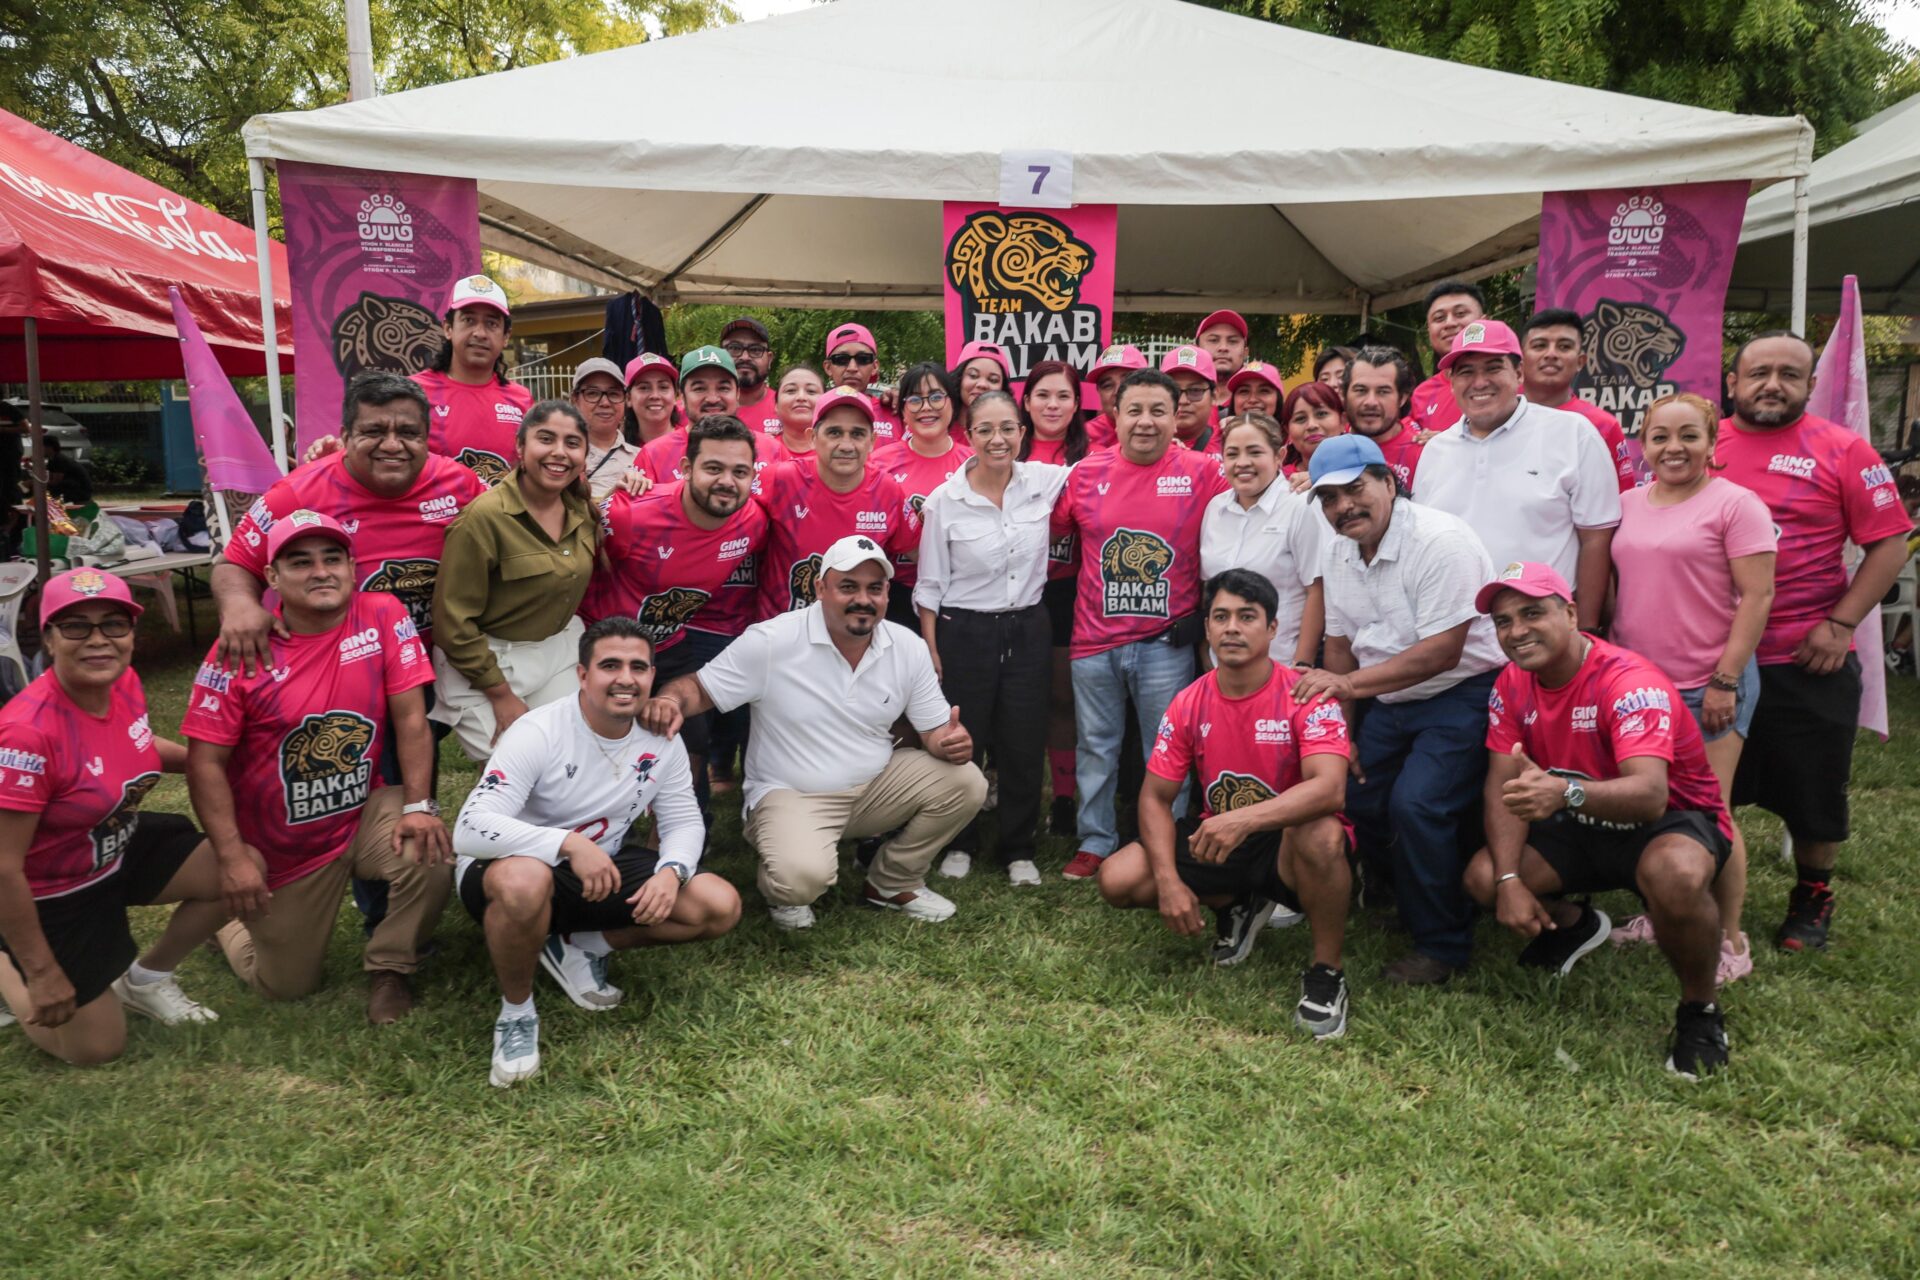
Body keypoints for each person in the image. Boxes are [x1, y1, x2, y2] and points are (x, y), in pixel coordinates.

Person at [1464, 562, 1736, 1079]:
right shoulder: (1511, 682)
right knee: (1484, 876)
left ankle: (1700, 1011)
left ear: (1571, 615)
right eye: (1503, 622)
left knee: (1674, 875)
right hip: (1580, 822)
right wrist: (1508, 880)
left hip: (1668, 821)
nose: (1516, 631)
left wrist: (1564, 793)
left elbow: (1650, 796)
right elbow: (1503, 786)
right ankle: (1575, 926)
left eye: (1532, 614)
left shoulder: (1628, 681)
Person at [185, 512, 451, 1023]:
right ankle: (226, 925)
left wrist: (419, 805)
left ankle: (391, 967)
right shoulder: (240, 648)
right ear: (272, 576)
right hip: (285, 846)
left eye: (332, 558)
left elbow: (411, 719)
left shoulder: (381, 613)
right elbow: (205, 763)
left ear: (352, 566)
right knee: (284, 985)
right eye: (301, 562)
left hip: (363, 814)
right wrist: (233, 857)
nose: (321, 572)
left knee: (430, 848)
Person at [453, 617, 741, 1087]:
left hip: (598, 870)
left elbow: (684, 821)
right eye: (610, 666)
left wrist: (671, 871)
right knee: (527, 880)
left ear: (652, 675)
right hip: (506, 871)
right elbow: (469, 828)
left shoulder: (661, 739)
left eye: (638, 667)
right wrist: (568, 844)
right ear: (582, 675)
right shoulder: (538, 729)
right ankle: (517, 1013)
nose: (625, 678)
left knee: (717, 905)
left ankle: (581, 946)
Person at [642, 536, 984, 929]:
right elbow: (699, 689)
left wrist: (950, 742)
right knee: (801, 881)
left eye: (874, 588)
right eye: (848, 587)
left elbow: (936, 730)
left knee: (966, 781)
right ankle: (785, 886)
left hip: (873, 786)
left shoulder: (907, 645)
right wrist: (669, 700)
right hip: (793, 793)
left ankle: (893, 882)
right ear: (820, 588)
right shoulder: (772, 640)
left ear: (887, 593)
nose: (863, 599)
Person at [1713, 332, 1911, 952]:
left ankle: (1812, 895)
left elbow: (1890, 544)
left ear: (1810, 385)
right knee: (1710, 788)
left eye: (1789, 374)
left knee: (1813, 790)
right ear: (1733, 383)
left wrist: (1842, 623)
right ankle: (1705, 891)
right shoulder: (1701, 443)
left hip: (1803, 656)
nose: (1772, 385)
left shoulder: (1845, 450)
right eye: (1759, 373)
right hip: (1711, 660)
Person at [1097, 570, 1356, 1037]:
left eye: (1247, 616)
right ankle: (1237, 904)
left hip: (1285, 844)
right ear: (1208, 628)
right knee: (1118, 879)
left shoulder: (1305, 694)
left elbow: (1329, 789)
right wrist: (1168, 882)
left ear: (1272, 628)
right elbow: (1154, 797)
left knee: (1321, 833)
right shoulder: (1188, 701)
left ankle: (1326, 972)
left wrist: (1242, 821)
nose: (1232, 628)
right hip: (1221, 839)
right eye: (1221, 617)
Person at [1295, 435, 1505, 985]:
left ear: (1389, 482)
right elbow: (1339, 645)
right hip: (1387, 695)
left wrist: (1347, 685)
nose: (1344, 507)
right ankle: (1412, 895)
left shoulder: (1440, 541)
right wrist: (1342, 739)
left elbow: (1442, 652)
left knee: (1418, 805)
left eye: (1355, 489)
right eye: (1329, 499)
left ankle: (1442, 945)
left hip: (1461, 691)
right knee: (1361, 795)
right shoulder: (1338, 550)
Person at [0, 572, 228, 1064]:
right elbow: (3, 867)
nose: (98, 639)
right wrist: (41, 973)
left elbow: (136, 741)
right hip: (52, 890)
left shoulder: (122, 681)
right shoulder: (26, 735)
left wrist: (209, 763)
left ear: (131, 634)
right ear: (48, 638)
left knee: (238, 866)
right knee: (96, 1048)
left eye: (113, 624)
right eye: (76, 626)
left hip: (110, 846)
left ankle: (146, 980)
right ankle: (5, 962)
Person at [1607, 392, 1775, 983]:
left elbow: (1757, 596)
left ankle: (1729, 938)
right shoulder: (1627, 503)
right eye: (1660, 436)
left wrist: (1726, 679)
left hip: (1711, 683)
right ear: (1643, 444)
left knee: (1711, 812)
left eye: (1688, 436)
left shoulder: (1737, 505)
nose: (1673, 447)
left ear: (1711, 442)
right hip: (1643, 688)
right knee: (1657, 804)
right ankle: (1663, 913)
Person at [1052, 369, 1229, 880]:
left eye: (1158, 411)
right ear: (1115, 415)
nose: (1145, 422)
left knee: (1166, 749)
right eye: (1134, 410)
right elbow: (1049, 528)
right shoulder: (1085, 473)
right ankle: (1095, 840)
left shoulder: (1203, 472)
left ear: (1177, 417)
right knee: (1096, 746)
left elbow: (1257, 494)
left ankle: (1165, 843)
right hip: (1093, 642)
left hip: (1165, 645)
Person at [215, 372, 485, 677]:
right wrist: (239, 606)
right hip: (340, 676)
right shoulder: (296, 493)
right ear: (345, 436)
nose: (392, 445)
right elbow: (234, 564)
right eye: (374, 431)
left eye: (409, 432)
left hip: (443, 670)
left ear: (426, 437)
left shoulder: (461, 484)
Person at [916, 390, 1071, 885]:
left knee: (1023, 737)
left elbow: (1102, 470)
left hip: (1027, 626)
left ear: (1023, 434)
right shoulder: (945, 501)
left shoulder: (1043, 482)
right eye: (985, 429)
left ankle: (1017, 847)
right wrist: (932, 648)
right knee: (966, 736)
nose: (997, 439)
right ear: (969, 436)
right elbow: (930, 584)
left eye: (1007, 428)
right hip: (965, 629)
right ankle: (959, 840)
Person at [585, 414, 769, 811]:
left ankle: (680, 835)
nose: (727, 481)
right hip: (599, 643)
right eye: (713, 468)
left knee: (692, 740)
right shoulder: (632, 514)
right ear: (686, 468)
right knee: (594, 751)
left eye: (740, 472)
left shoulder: (752, 522)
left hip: (669, 643)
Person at [1412, 320, 1621, 628]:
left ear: (1519, 373)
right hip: (1456, 637)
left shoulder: (1573, 433)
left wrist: (1586, 632)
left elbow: (1596, 541)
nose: (1479, 382)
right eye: (1466, 372)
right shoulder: (1434, 451)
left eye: (1493, 368)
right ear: (1452, 382)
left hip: (1544, 632)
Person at [429, 402, 598, 761]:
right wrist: (500, 693)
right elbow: (452, 623)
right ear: (520, 446)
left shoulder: (581, 511)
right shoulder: (484, 518)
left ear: (584, 456)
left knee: (567, 760)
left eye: (572, 443)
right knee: (518, 765)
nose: (559, 452)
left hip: (555, 653)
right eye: (546, 439)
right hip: (484, 662)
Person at [751, 387, 914, 619]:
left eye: (857, 434)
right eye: (834, 433)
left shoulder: (888, 492)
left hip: (853, 630)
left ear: (872, 442)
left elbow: (921, 554)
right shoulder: (780, 479)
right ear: (813, 438)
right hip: (781, 628)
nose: (846, 445)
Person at [1016, 366, 1096, 839]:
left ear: (1076, 404)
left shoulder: (1093, 456)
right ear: (1025, 402)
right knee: (1018, 699)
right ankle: (1006, 788)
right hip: (1012, 591)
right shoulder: (1008, 447)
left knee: (1063, 697)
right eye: (1042, 395)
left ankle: (1064, 798)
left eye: (1062, 396)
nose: (1052, 405)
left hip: (1069, 590)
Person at [1202, 414, 1325, 666]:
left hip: (1283, 663)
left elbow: (1316, 590)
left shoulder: (1300, 506)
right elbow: (1208, 589)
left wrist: (1302, 663)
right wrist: (1207, 658)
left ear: (1279, 456)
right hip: (1223, 668)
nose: (1242, 463)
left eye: (1255, 452)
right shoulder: (1215, 508)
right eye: (1232, 454)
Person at [872, 363, 972, 627]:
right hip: (895, 593)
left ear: (952, 403)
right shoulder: (879, 463)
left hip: (959, 595)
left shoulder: (974, 464)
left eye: (936, 397)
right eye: (915, 400)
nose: (926, 407)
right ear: (903, 410)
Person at [411, 274, 534, 486]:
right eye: (469, 320)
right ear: (448, 328)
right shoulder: (413, 393)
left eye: (491, 323)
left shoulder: (521, 399)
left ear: (506, 337)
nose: (480, 333)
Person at [1520, 309, 1637, 491]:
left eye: (1564, 347)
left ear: (1580, 362)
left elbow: (1622, 496)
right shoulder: (1498, 416)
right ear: (1521, 358)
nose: (1551, 354)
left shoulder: (1603, 426)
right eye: (1540, 346)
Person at [638, 347, 779, 483]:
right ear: (682, 396)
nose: (712, 399)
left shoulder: (770, 449)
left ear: (737, 394)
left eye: (723, 388)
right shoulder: (653, 455)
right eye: (699, 388)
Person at [1342, 345, 1424, 489]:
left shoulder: (1423, 455)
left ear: (1402, 398)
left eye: (1383, 391)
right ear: (1344, 395)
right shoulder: (1328, 448)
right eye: (1361, 390)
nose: (1370, 402)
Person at [1408, 280, 1485, 434]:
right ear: (1429, 330)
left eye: (1460, 314)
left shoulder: (1516, 380)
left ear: (1484, 321)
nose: (1449, 323)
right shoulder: (1422, 394)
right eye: (1439, 318)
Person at [568, 358, 642, 501]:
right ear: (575, 399)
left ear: (626, 399)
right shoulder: (564, 456)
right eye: (592, 393)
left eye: (613, 393)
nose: (605, 402)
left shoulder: (642, 457)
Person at [823, 322, 902, 443]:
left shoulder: (896, 411)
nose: (852, 368)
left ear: (875, 366)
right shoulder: (813, 412)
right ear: (828, 367)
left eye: (863, 359)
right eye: (841, 359)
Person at [720, 316, 780, 435]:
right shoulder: (696, 409)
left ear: (769, 359)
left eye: (756, 350)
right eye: (734, 348)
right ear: (720, 355)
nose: (745, 357)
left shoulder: (787, 408)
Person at [1086, 343, 1148, 450]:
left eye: (1128, 381)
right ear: (1098, 392)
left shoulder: (1165, 430)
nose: (1117, 391)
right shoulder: (1083, 437)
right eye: (1107, 385)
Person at [1279, 380, 1349, 475]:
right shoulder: (1278, 479)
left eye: (1321, 414)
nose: (1311, 425)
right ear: (1288, 430)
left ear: (1343, 420)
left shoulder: (1364, 469)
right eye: (1300, 418)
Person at [1161, 345, 1221, 453]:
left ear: (1214, 396)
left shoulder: (1229, 443)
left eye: (1195, 390)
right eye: (1173, 391)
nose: (1182, 401)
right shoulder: (1141, 446)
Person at [1195, 310, 1251, 416]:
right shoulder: (1179, 399)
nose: (1223, 348)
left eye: (1232, 341)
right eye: (1213, 340)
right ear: (1197, 349)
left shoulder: (1256, 402)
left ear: (1245, 352)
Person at [623, 352, 681, 447]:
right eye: (644, 388)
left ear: (675, 396)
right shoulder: (618, 449)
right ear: (628, 398)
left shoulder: (694, 445)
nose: (655, 396)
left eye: (663, 387)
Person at [768, 364, 823, 461]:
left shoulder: (839, 450)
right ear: (776, 405)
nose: (801, 397)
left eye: (811, 391)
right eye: (791, 390)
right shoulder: (760, 450)